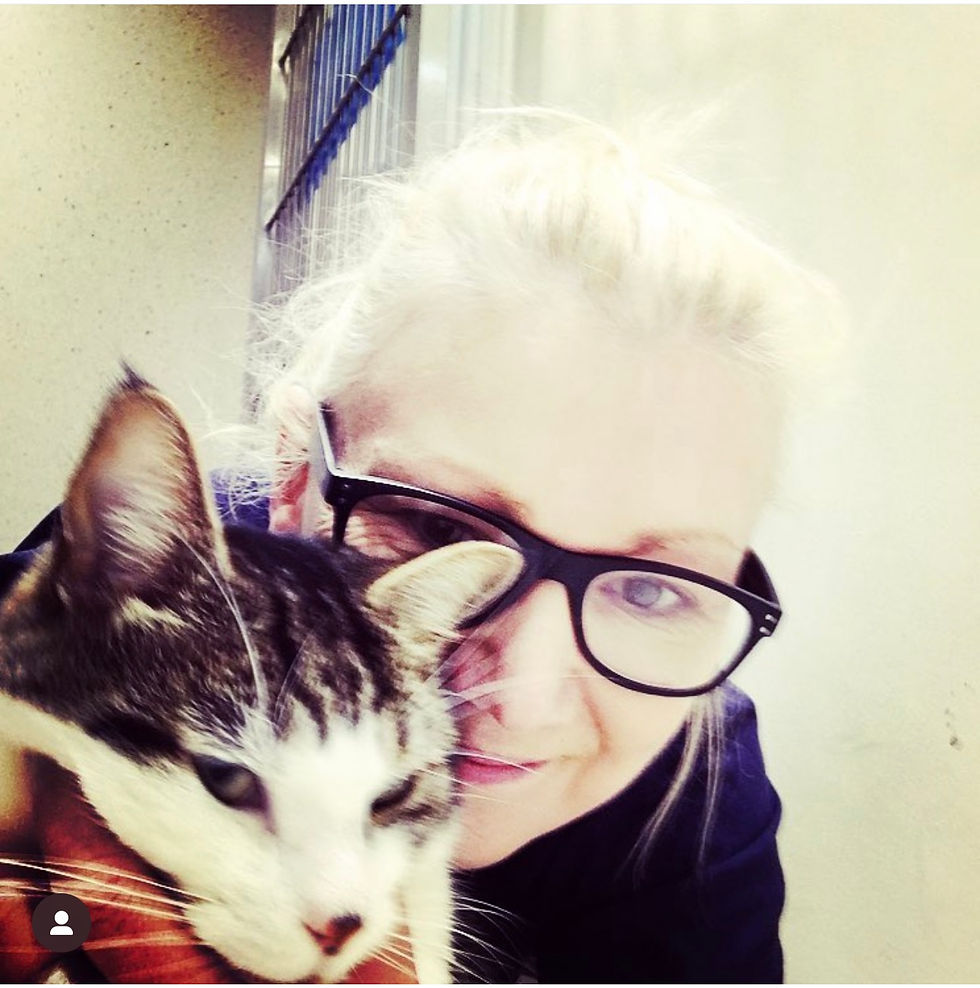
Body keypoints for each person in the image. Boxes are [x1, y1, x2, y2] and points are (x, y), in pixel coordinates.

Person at [0, 109, 839, 982]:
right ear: (293, 474)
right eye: (437, 527)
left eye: (655, 587)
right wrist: (63, 934)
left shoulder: (701, 794)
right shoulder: (138, 602)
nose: (525, 700)